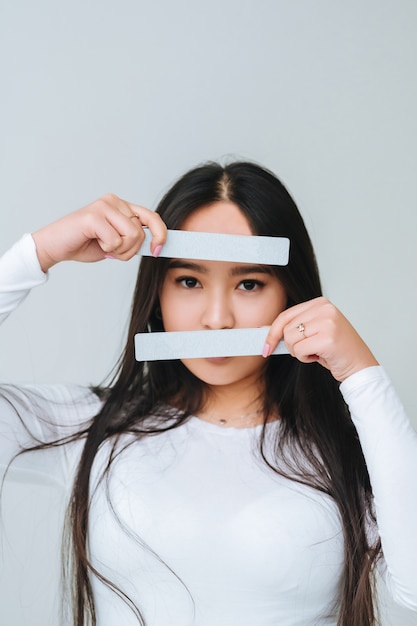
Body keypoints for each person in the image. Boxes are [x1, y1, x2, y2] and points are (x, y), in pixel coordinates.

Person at [0, 161, 416, 626]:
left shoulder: (348, 450)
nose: (217, 319)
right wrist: (36, 253)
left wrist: (362, 375)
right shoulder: (90, 426)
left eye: (249, 283)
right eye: (190, 281)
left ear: (291, 294)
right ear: (157, 291)